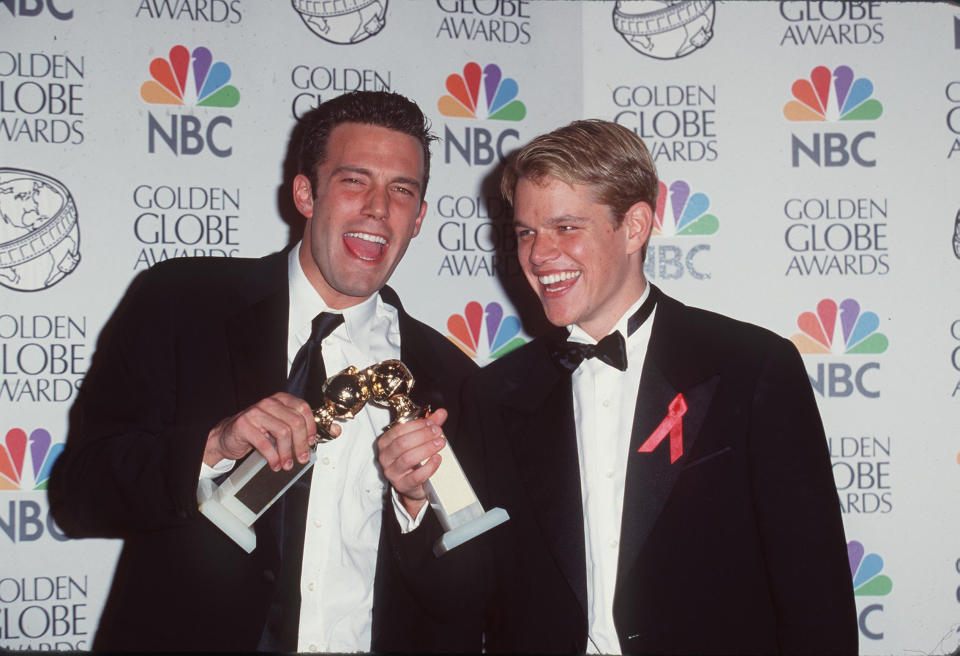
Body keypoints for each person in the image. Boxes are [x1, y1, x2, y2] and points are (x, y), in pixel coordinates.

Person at [379, 119, 858, 654]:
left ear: (634, 227)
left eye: (566, 228)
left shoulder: (752, 368)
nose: (538, 255)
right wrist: (416, 500)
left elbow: (816, 597)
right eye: (526, 233)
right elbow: (462, 600)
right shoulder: (496, 395)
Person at [48, 91, 475, 652]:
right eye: (353, 180)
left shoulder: (452, 376)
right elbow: (78, 496)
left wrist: (419, 508)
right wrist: (211, 446)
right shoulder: (182, 304)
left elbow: (468, 596)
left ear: (419, 218)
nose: (377, 207)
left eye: (402, 190)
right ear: (305, 193)